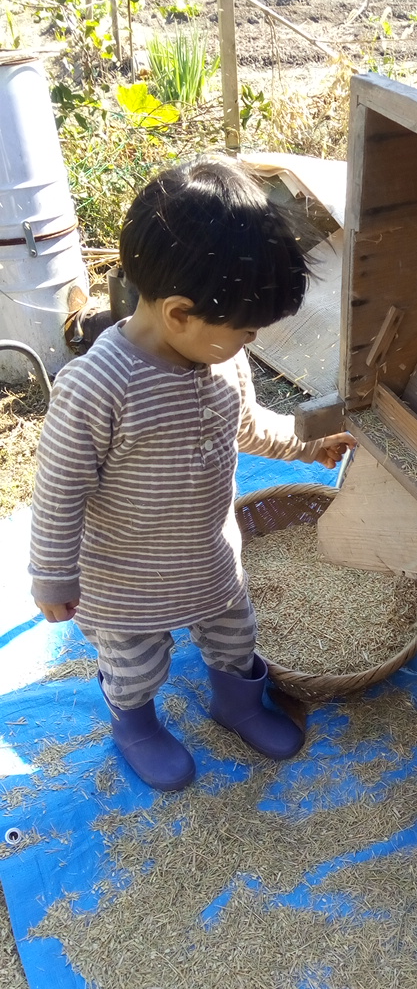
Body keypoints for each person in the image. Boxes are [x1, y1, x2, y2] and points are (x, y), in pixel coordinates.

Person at [29, 156, 354, 793]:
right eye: (245, 330)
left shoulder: (220, 359)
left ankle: (236, 705)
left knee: (235, 636)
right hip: (126, 581)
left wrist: (305, 443)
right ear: (179, 313)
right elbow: (59, 492)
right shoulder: (98, 387)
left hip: (210, 558)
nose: (249, 342)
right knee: (135, 664)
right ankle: (136, 724)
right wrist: (52, 575)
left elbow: (247, 425)